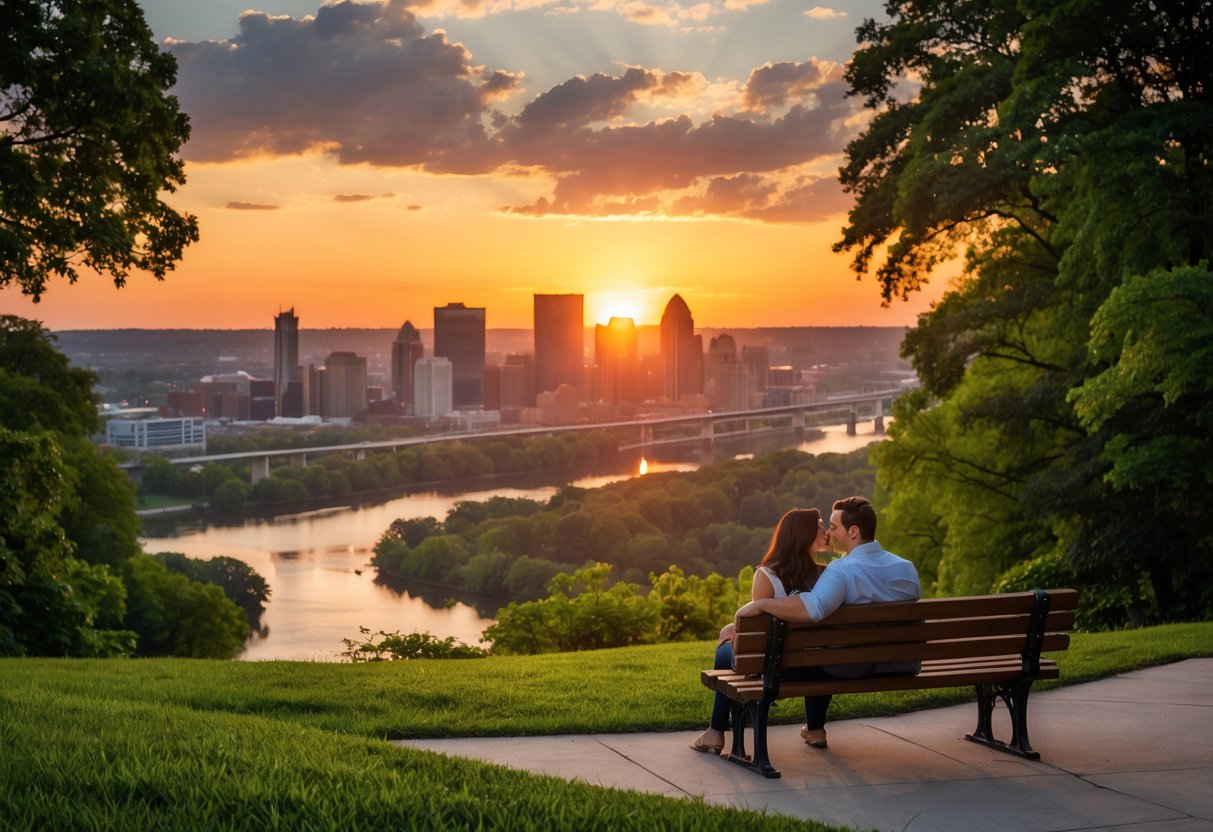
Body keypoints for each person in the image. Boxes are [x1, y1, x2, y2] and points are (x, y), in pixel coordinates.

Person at [733, 495, 921, 749]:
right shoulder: (906, 567)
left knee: (815, 656)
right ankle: (814, 728)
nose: (829, 533)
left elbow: (813, 609)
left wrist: (761, 605)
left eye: (833, 527)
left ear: (853, 532)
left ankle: (812, 728)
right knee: (820, 652)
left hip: (853, 666)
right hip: (902, 662)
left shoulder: (841, 571)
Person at [690, 508, 828, 754]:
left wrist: (733, 629)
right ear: (805, 535)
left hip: (775, 673)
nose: (826, 532)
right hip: (818, 669)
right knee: (810, 650)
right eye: (819, 527)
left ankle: (715, 730)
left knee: (724, 653)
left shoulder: (766, 575)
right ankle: (816, 728)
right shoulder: (828, 577)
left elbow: (758, 629)